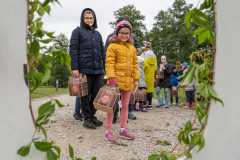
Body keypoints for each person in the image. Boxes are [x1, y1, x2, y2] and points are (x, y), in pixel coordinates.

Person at [69, 8, 105, 129]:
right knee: (85, 95)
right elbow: (73, 50)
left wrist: (104, 67)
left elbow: (102, 51)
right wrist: (75, 67)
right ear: (82, 19)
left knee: (97, 94)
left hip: (98, 69)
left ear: (94, 19)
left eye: (91, 18)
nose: (89, 20)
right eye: (87, 18)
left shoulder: (98, 34)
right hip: (85, 68)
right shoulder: (77, 32)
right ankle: (87, 118)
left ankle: (92, 115)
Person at [105, 21, 139, 143]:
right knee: (111, 107)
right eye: (121, 33)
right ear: (117, 33)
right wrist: (111, 78)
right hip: (115, 82)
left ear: (130, 34)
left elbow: (135, 65)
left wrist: (136, 79)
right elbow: (109, 63)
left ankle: (123, 129)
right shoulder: (112, 46)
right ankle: (108, 131)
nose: (124, 35)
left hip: (128, 82)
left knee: (125, 106)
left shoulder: (132, 48)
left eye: (127, 33)